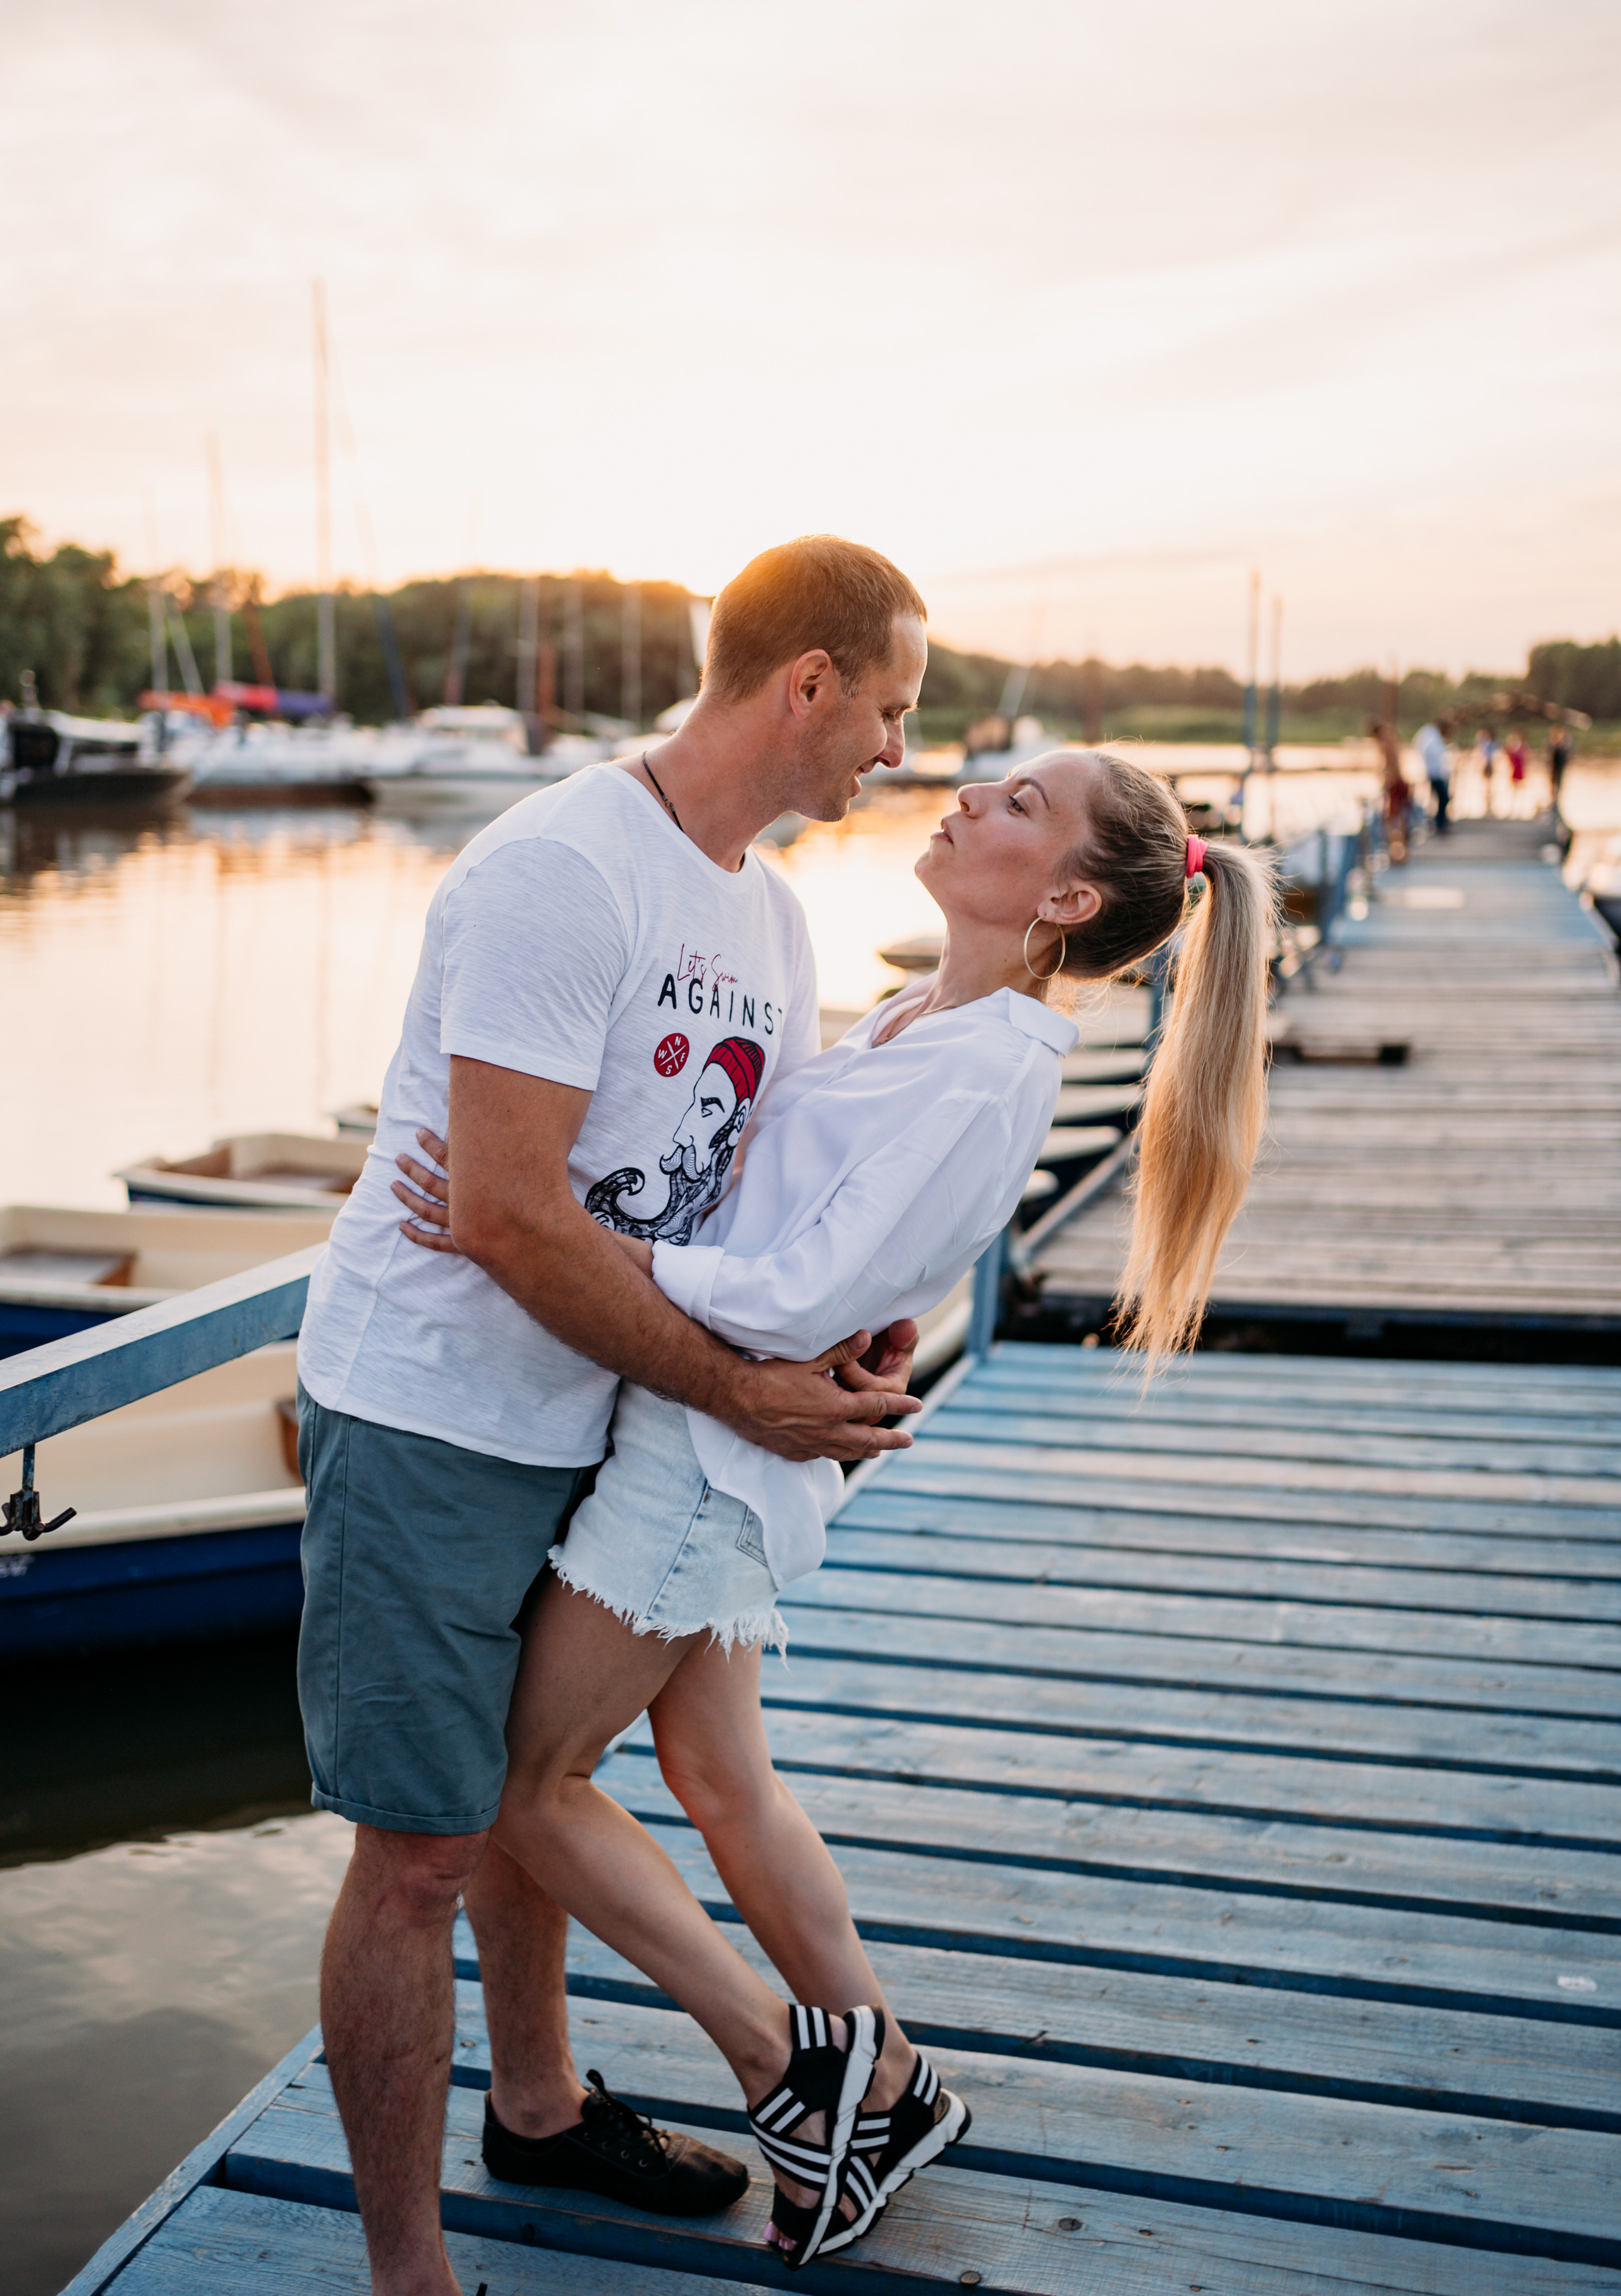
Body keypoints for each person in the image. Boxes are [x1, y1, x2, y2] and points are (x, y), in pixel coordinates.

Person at [394, 748, 1276, 2266]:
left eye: (1017, 804)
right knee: (721, 1773)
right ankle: (893, 2072)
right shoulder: (918, 1019)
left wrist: (522, 1239)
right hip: (716, 1428)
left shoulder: (990, 1061)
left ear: (1064, 896)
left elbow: (799, 1285)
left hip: (710, 1455)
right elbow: (791, 1228)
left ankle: (800, 2072)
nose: (971, 791)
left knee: (519, 1781)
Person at [293, 535, 930, 2296]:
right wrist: (742, 1395)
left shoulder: (773, 916)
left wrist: (853, 1337)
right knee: (420, 1853)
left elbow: (740, 1197)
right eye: (888, 708)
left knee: (528, 1784)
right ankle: (411, 2275)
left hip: (597, 1396)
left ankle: (546, 2106)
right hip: (433, 1411)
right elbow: (502, 1216)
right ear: (807, 684)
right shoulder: (563, 870)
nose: (894, 748)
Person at [1369, 718, 1411, 862]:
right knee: (1400, 819)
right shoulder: (1394, 741)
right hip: (1402, 783)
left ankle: (1395, 853)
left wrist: (1386, 783)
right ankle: (1403, 852)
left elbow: (1390, 768)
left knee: (1390, 819)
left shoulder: (1385, 745)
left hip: (1395, 785)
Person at [1413, 715, 1452, 835]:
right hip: (1434, 773)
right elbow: (1429, 751)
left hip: (1436, 772)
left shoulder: (1431, 733)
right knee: (1443, 798)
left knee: (1436, 798)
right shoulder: (1432, 735)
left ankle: (1437, 822)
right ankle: (1439, 823)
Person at [1475, 725, 1498, 815]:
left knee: (1489, 787)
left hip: (1489, 765)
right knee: (1486, 787)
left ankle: (1489, 806)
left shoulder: (1491, 743)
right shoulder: (1485, 742)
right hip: (1485, 765)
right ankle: (1487, 806)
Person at [1506, 727, 1529, 813]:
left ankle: (1520, 808)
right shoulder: (1515, 749)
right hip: (1515, 771)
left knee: (1520, 790)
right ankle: (1514, 807)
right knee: (1514, 790)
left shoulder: (1522, 749)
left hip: (1520, 771)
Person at [1548, 724, 1570, 813]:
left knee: (1556, 787)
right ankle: (1554, 804)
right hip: (1556, 771)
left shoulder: (1561, 749)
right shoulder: (1557, 749)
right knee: (1555, 787)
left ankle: (1555, 803)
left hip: (1558, 771)